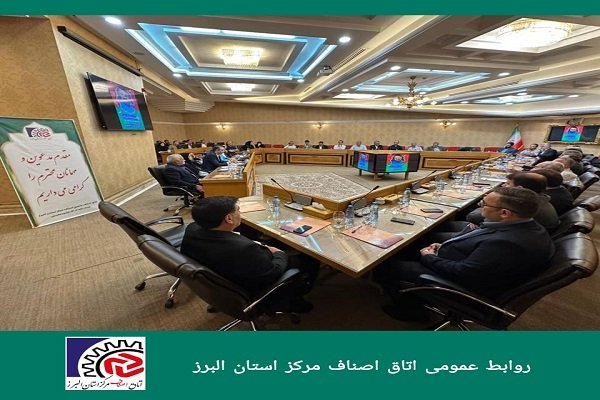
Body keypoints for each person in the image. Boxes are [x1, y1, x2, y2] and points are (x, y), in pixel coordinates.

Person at [374, 187, 555, 320]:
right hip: (473, 263)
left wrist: (429, 258)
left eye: (484, 204)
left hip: (465, 285)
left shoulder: (506, 244)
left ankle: (410, 311)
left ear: (505, 213)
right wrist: (444, 245)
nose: (479, 205)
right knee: (411, 246)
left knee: (385, 265)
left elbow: (463, 273)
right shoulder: (529, 226)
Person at [180, 196, 319, 312]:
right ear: (229, 219)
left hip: (221, 276)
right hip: (249, 286)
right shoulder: (244, 249)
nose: (240, 213)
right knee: (311, 258)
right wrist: (279, 253)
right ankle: (294, 298)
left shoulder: (192, 229)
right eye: (238, 210)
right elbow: (272, 273)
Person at [466, 172, 559, 231]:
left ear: (519, 188)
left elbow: (474, 217)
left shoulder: (528, 204)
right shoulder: (538, 198)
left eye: (508, 184)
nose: (503, 185)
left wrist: (486, 204)